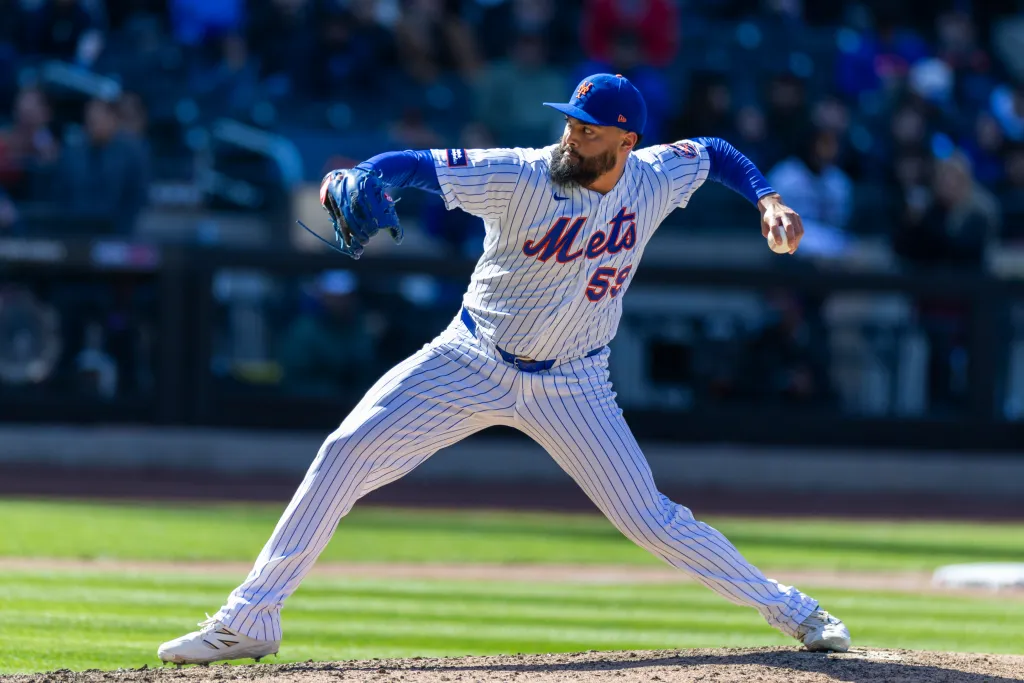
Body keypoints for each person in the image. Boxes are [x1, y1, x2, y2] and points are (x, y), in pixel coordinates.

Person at [158, 73, 851, 665]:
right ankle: (251, 618)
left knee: (651, 518)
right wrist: (370, 172)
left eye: (587, 130)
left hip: (576, 382)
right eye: (570, 123)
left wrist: (768, 199)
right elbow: (416, 165)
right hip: (471, 358)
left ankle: (797, 612)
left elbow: (718, 153)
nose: (571, 137)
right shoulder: (520, 173)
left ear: (626, 141)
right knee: (344, 453)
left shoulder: (654, 176)